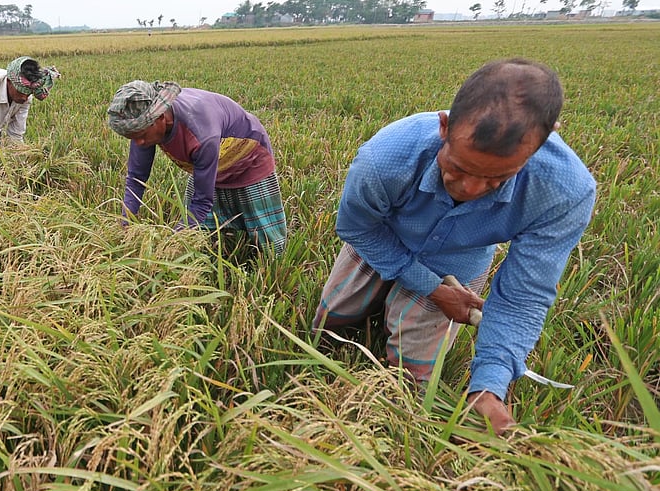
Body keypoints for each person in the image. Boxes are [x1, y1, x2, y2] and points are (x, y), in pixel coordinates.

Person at [312, 58, 596, 435]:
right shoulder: (387, 157)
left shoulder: (564, 191)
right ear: (444, 125)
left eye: (497, 178)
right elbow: (357, 228)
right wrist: (431, 288)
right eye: (458, 167)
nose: (470, 189)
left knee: (413, 375)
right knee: (332, 320)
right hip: (382, 239)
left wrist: (489, 385)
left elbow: (522, 296)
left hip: (460, 261)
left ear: (542, 143)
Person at [107, 80, 287, 254]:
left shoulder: (200, 133)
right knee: (199, 234)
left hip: (248, 159)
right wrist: (126, 223)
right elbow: (136, 179)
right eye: (132, 137)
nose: (139, 142)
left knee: (268, 242)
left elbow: (202, 201)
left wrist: (170, 242)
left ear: (160, 117)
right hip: (206, 164)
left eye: (142, 135)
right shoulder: (143, 130)